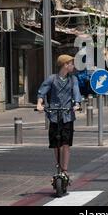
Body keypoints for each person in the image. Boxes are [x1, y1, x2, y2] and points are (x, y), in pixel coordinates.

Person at [36, 55, 82, 183]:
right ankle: (59, 167)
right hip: (54, 115)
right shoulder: (52, 79)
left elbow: (76, 92)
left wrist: (77, 104)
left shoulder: (73, 80)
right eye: (71, 63)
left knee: (66, 144)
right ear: (65, 65)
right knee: (56, 144)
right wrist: (39, 104)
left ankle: (65, 170)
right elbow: (42, 91)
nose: (73, 66)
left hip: (67, 115)